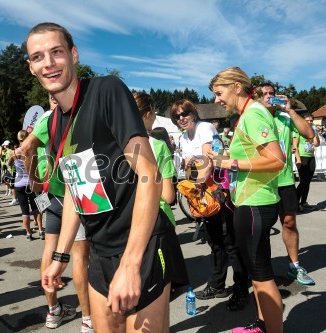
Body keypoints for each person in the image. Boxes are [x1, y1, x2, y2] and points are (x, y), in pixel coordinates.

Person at [26, 22, 174, 333]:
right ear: (31, 67)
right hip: (100, 250)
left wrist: (131, 265)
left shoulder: (105, 90)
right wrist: (60, 256)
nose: (48, 62)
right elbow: (75, 193)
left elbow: (149, 174)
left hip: (141, 246)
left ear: (74, 54)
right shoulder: (53, 124)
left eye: (56, 52)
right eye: (38, 56)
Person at [209, 67, 285, 333]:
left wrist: (232, 162)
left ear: (237, 87)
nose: (217, 100)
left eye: (219, 93)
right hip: (250, 201)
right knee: (258, 274)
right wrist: (220, 161)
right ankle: (263, 325)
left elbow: (277, 160)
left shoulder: (253, 113)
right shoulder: (247, 115)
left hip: (256, 204)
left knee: (262, 277)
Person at [20, 94, 92, 331]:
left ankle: (53, 311)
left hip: (50, 195)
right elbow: (26, 148)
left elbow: (27, 149)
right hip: (73, 192)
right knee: (80, 256)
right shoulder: (59, 116)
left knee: (50, 250)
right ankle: (88, 319)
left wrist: (36, 182)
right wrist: (35, 180)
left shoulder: (45, 119)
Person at [173, 99, 248, 311]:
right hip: (204, 194)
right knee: (215, 242)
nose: (182, 118)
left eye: (185, 113)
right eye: (177, 116)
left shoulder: (204, 128)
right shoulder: (183, 137)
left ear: (193, 113)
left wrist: (192, 182)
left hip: (218, 192)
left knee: (230, 243)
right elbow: (189, 165)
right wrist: (187, 164)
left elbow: (208, 163)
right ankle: (217, 285)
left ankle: (242, 289)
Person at [259, 82, 316, 285]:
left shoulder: (285, 117)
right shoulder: (253, 118)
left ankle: (294, 266)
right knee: (261, 228)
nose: (268, 96)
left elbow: (310, 134)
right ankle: (261, 272)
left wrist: (290, 110)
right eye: (263, 94)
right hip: (260, 182)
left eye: (271, 93)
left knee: (289, 223)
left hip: (284, 180)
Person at [134, 92, 189, 296]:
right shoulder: (157, 145)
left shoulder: (112, 144)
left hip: (123, 225)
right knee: (159, 289)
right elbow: (168, 196)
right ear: (148, 113)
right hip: (156, 222)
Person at [8, 130, 43, 240]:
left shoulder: (14, 153)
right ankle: (41, 230)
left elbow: (9, 164)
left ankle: (28, 234)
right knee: (36, 208)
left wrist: (14, 166)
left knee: (24, 210)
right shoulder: (31, 151)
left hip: (19, 184)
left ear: (18, 139)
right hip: (31, 182)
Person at [294, 113, 320, 211]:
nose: (309, 122)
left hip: (311, 156)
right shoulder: (298, 129)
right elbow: (295, 145)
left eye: (311, 121)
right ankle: (295, 203)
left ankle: (303, 202)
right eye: (307, 120)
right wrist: (298, 159)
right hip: (302, 157)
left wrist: (315, 134)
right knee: (303, 181)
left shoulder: (312, 130)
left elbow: (316, 144)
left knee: (308, 181)